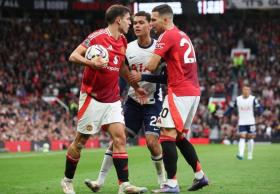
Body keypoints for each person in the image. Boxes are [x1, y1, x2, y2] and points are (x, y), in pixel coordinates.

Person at [60, 5, 147, 194]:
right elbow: (73, 56)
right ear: (118, 20)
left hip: (112, 100)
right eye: (128, 19)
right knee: (80, 141)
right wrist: (91, 63)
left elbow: (122, 67)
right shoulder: (97, 37)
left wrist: (136, 87)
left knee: (120, 137)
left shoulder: (123, 40)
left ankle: (124, 185)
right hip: (92, 98)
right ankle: (67, 181)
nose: (130, 23)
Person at [84, 11, 167, 192]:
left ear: (149, 26)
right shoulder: (127, 47)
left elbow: (167, 77)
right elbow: (122, 72)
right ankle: (99, 181)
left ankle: (163, 182)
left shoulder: (159, 48)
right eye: (134, 22)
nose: (136, 25)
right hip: (133, 101)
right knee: (117, 140)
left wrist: (145, 77)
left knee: (152, 143)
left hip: (153, 101)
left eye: (141, 22)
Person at [145, 4, 209, 192]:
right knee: (179, 137)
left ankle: (172, 183)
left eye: (153, 20)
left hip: (179, 92)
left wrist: (143, 66)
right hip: (193, 92)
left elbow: (151, 66)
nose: (151, 24)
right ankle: (200, 175)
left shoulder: (167, 35)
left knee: (166, 136)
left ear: (165, 19)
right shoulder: (183, 35)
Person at [224, 85, 263, 160]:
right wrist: (224, 114)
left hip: (251, 121)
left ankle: (249, 154)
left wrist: (260, 114)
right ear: (242, 91)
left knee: (250, 138)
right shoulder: (238, 99)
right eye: (245, 89)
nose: (246, 91)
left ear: (250, 91)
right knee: (242, 137)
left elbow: (259, 108)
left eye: (248, 90)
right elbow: (231, 108)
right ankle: (241, 154)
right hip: (242, 122)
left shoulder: (253, 99)